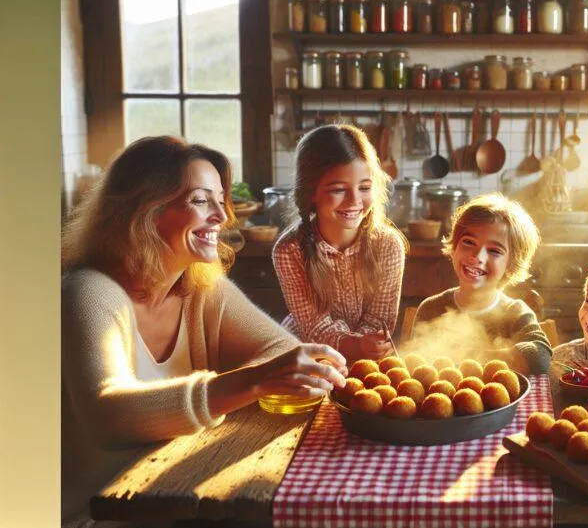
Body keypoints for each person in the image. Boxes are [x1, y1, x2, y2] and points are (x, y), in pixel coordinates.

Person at [60, 136, 347, 523]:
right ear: (143, 211)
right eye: (200, 200)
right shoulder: (88, 291)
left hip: (174, 494)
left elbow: (281, 351)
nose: (222, 216)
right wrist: (254, 382)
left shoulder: (200, 288)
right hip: (99, 515)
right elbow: (108, 413)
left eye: (219, 199)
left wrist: (283, 373)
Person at [273, 124, 407, 362]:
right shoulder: (289, 250)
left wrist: (367, 346)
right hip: (307, 357)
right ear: (311, 192)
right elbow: (315, 328)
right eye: (338, 189)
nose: (355, 201)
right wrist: (357, 346)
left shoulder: (389, 246)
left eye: (364, 188)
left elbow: (379, 321)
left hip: (368, 359)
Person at [409, 193, 552, 374]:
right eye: (469, 242)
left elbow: (541, 357)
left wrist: (475, 356)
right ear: (454, 248)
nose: (477, 257)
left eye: (494, 250)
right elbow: (414, 365)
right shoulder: (431, 309)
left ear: (511, 264)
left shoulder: (515, 313)